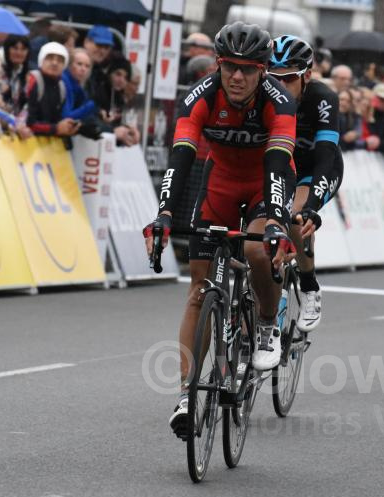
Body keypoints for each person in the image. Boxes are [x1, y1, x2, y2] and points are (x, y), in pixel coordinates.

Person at [142, 22, 298, 438]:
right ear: (218, 64)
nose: (237, 76)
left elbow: (279, 163)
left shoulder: (279, 101)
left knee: (258, 251)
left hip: (266, 184)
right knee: (198, 290)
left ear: (263, 70)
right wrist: (164, 214)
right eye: (230, 66)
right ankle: (186, 394)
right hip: (221, 184)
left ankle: (266, 324)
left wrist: (278, 221)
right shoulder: (200, 96)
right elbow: (180, 158)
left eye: (248, 69)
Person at [268, 35, 344, 332]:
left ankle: (309, 286)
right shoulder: (262, 96)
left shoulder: (323, 98)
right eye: (273, 78)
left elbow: (326, 154)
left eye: (288, 79)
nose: (280, 86)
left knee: (296, 219)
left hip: (315, 169)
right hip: (279, 167)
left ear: (307, 76)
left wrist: (312, 206)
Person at [26, 42, 80, 138]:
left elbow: (55, 120)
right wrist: (55, 128)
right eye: (50, 58)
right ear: (41, 61)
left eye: (60, 60)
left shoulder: (61, 87)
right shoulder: (33, 80)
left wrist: (68, 127)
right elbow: (27, 122)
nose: (55, 63)